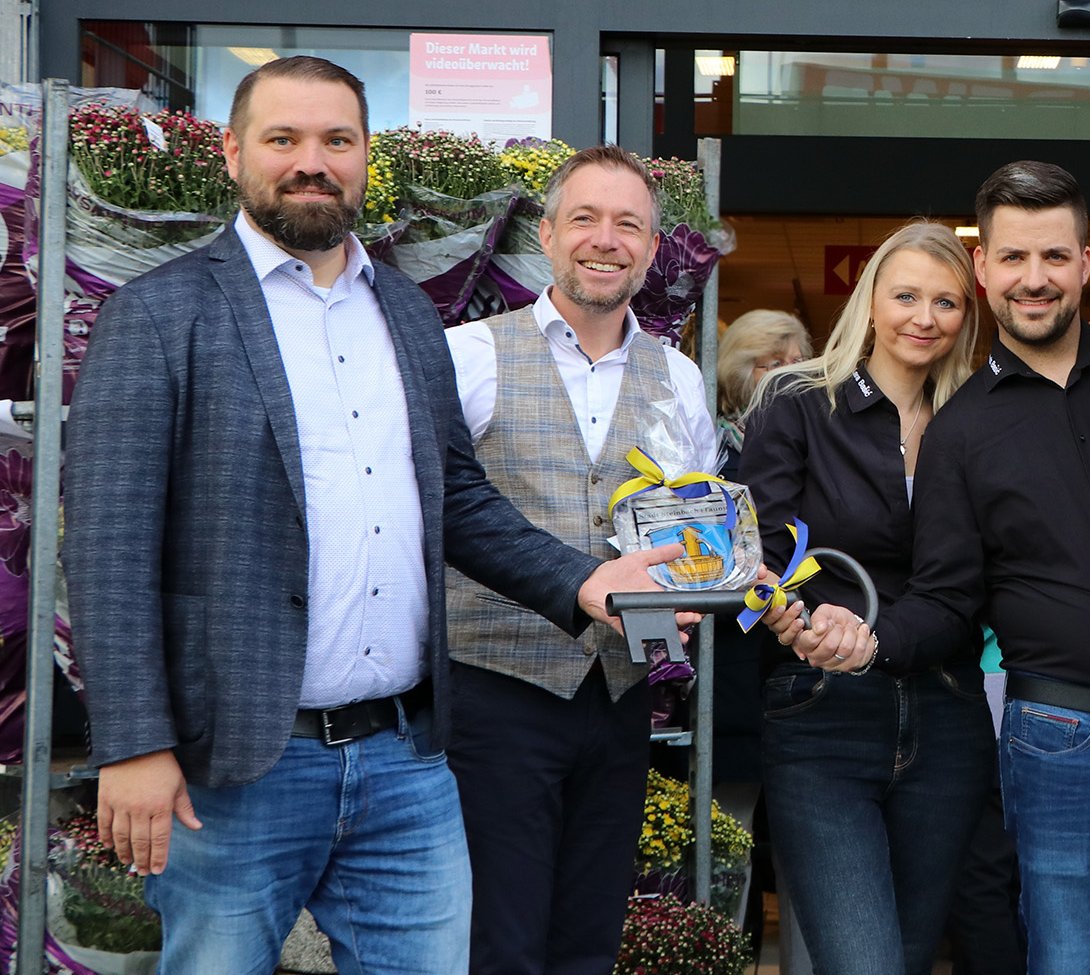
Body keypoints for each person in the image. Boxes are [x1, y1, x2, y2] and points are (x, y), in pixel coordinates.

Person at [62, 56, 683, 974]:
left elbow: (457, 498)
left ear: (364, 159)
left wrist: (585, 581)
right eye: (285, 139)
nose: (312, 161)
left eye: (337, 141)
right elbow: (108, 548)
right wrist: (133, 743)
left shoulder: (404, 309)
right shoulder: (160, 314)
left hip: (405, 762)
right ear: (234, 154)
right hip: (238, 768)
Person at [772, 161, 1090, 974]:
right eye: (1012, 258)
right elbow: (945, 596)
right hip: (1060, 743)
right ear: (983, 270)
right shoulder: (960, 431)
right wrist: (870, 639)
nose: (1033, 279)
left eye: (1053, 257)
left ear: (1086, 260)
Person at [441, 145, 718, 974]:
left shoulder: (678, 377)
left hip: (619, 697)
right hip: (496, 693)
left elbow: (696, 524)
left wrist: (700, 586)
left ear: (654, 245)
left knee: (589, 941)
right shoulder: (470, 354)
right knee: (501, 941)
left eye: (628, 223)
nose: (607, 240)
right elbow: (440, 513)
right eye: (586, 219)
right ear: (550, 235)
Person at [737, 221, 994, 974]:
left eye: (946, 302)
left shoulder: (977, 418)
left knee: (907, 959)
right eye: (906, 295)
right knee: (863, 961)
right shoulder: (798, 400)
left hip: (948, 712)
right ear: (870, 300)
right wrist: (793, 614)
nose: (924, 316)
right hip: (823, 709)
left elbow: (976, 577)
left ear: (967, 315)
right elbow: (764, 549)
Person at [715, 309, 811, 474]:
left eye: (797, 361)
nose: (790, 373)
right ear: (740, 373)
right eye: (776, 364)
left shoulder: (813, 434)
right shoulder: (715, 446)